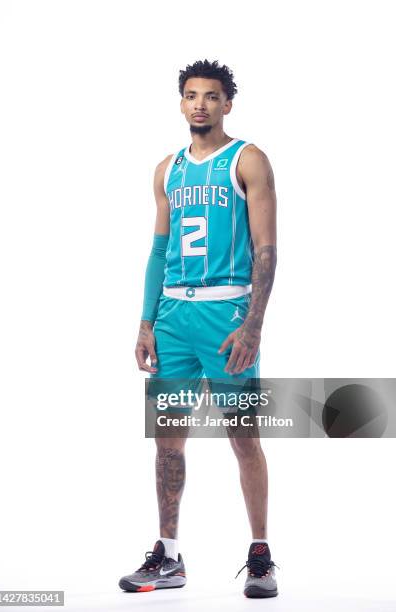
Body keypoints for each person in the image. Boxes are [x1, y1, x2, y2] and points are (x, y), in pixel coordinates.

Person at [119, 59, 278, 598]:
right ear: (181, 102)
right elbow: (159, 250)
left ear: (227, 103)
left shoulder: (248, 160)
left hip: (226, 317)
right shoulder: (168, 169)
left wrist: (253, 324)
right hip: (172, 321)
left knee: (244, 437)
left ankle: (260, 555)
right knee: (168, 443)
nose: (201, 104)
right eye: (191, 95)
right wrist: (146, 323)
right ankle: (168, 555)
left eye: (212, 96)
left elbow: (266, 249)